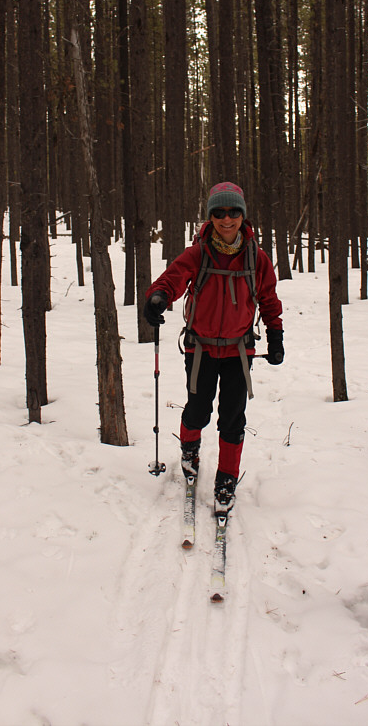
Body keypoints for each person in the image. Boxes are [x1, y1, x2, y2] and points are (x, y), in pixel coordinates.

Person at [143, 181, 284, 515]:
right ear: (210, 217)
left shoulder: (256, 258)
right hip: (201, 349)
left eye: (233, 212)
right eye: (219, 213)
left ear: (242, 216)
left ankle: (226, 480)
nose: (226, 219)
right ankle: (190, 453)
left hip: (238, 351)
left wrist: (275, 334)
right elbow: (172, 279)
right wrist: (158, 297)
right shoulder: (199, 252)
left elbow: (268, 298)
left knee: (232, 419)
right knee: (198, 409)